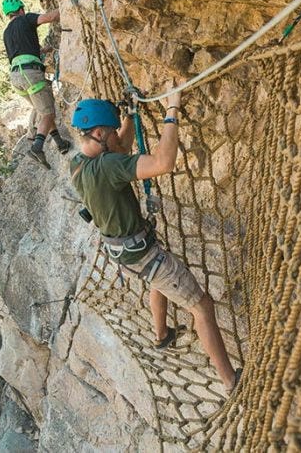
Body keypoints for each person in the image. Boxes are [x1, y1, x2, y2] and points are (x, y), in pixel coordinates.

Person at [69, 90, 242, 393]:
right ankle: (230, 381)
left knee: (155, 280)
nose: (114, 138)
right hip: (142, 254)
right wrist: (172, 110)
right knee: (201, 306)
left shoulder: (78, 164)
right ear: (98, 133)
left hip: (121, 252)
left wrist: (129, 117)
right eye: (108, 133)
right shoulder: (109, 166)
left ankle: (161, 335)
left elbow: (120, 146)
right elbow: (163, 162)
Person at [2, 0, 70, 169]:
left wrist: (42, 50)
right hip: (30, 74)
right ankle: (36, 147)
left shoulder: (7, 32)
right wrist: (69, 7)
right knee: (48, 114)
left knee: (43, 109)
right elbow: (50, 17)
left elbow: (21, 50)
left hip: (16, 77)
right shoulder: (26, 19)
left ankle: (60, 143)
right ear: (21, 9)